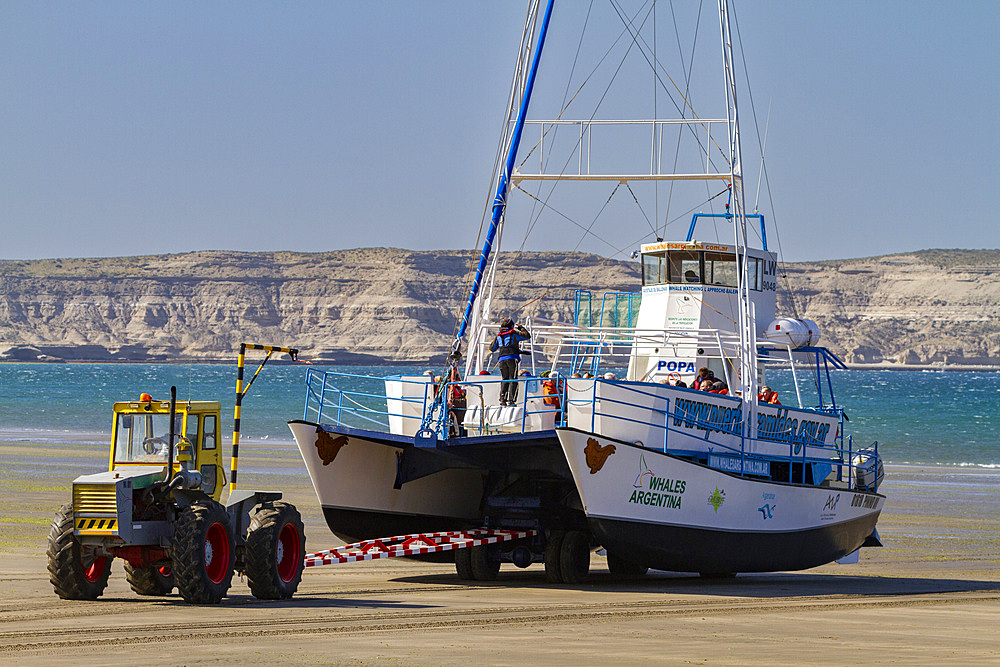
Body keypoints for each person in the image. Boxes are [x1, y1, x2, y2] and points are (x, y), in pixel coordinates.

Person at [490, 317, 530, 406]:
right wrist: (521, 328)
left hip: (501, 360)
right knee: (513, 379)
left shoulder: (499, 336)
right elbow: (527, 336)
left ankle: (502, 400)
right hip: (512, 358)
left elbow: (492, 348)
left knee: (505, 379)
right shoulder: (513, 333)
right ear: (511, 326)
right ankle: (511, 400)